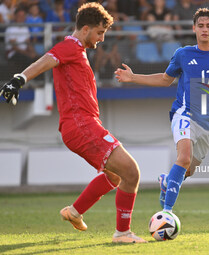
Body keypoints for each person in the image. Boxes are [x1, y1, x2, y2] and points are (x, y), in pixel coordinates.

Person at [0, 2, 146, 243]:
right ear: (86, 29)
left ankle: (75, 211)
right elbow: (47, 59)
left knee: (116, 176)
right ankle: (122, 233)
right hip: (81, 126)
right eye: (100, 33)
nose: (101, 39)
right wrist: (20, 79)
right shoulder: (70, 46)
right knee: (131, 171)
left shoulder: (78, 51)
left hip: (82, 126)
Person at [115, 8, 209, 212]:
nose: (205, 30)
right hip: (185, 114)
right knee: (184, 158)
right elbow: (165, 79)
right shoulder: (183, 54)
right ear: (194, 28)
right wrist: (133, 78)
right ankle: (166, 213)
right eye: (201, 26)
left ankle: (167, 181)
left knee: (189, 169)